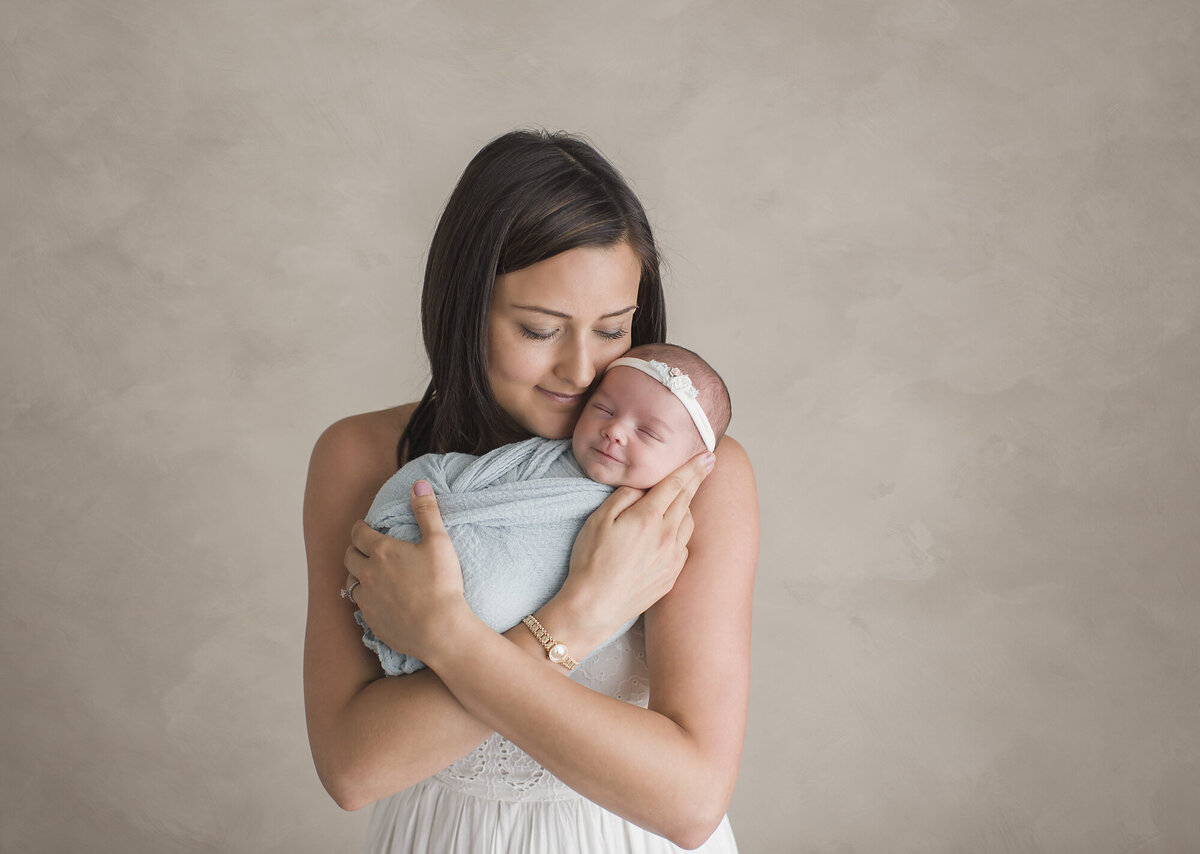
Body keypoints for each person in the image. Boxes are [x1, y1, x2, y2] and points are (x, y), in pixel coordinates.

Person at [302, 129, 759, 853]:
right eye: (541, 329)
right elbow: (355, 768)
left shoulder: (692, 477)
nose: (582, 369)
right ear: (465, 309)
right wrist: (581, 614)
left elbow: (690, 799)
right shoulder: (361, 457)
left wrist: (447, 637)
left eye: (613, 329)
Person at [352, 342, 733, 677]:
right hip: (414, 558)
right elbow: (448, 473)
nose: (615, 430)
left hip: (477, 608)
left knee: (487, 594)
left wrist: (448, 627)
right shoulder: (543, 455)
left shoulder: (659, 535)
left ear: (692, 462)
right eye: (603, 409)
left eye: (648, 433)